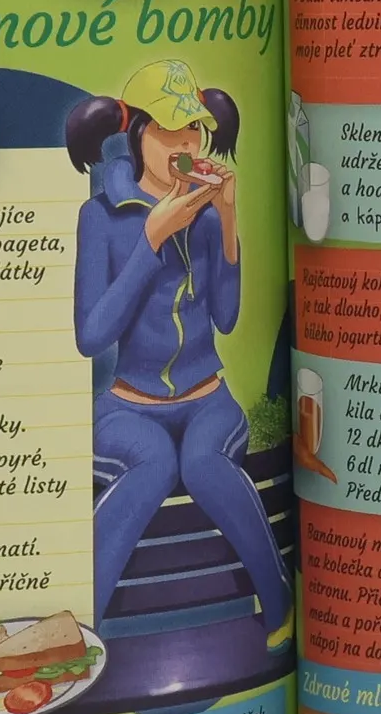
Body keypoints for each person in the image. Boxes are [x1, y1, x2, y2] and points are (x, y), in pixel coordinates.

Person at [66, 59, 291, 649]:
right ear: (137, 133)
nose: (184, 145)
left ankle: (279, 605)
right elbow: (91, 336)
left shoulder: (207, 212)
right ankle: (79, 633)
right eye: (168, 131)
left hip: (207, 399)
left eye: (192, 129)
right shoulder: (100, 217)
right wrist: (151, 239)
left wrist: (228, 216)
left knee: (203, 463)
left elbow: (226, 317)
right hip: (128, 405)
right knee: (153, 465)